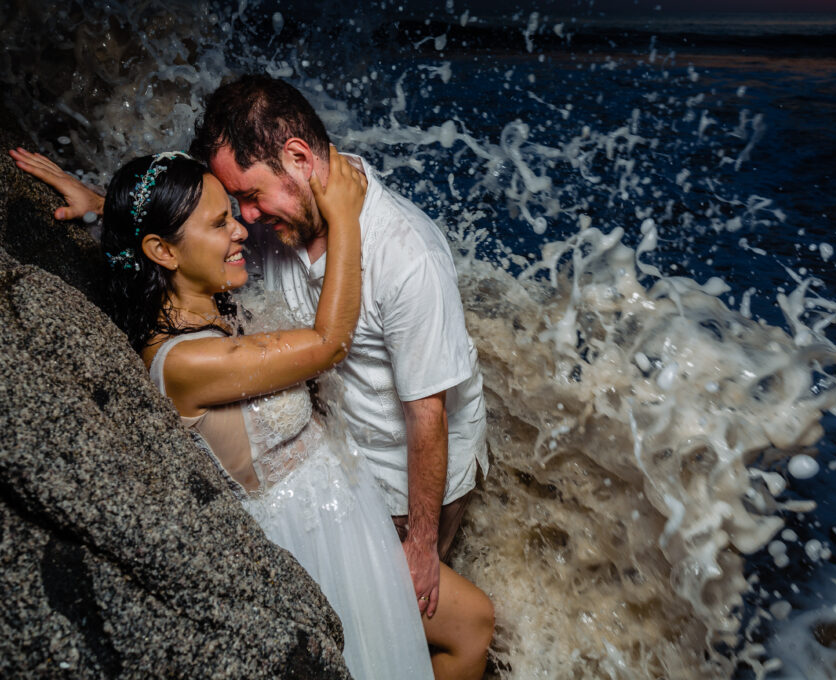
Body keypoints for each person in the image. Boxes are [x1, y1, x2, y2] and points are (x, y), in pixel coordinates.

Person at [10, 146, 494, 680]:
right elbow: (330, 342)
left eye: (235, 210)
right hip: (310, 542)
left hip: (352, 513)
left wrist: (106, 208)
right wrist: (344, 219)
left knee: (469, 624)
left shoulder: (207, 300)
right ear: (163, 252)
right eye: (222, 221)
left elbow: (171, 236)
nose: (242, 228)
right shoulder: (185, 360)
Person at [187, 77, 490, 625]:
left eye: (251, 197)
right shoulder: (283, 216)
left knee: (400, 623)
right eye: (236, 203)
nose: (245, 218)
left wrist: (421, 546)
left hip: (406, 478)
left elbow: (428, 417)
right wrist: (114, 212)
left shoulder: (406, 255)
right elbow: (191, 235)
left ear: (298, 158)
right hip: (342, 463)